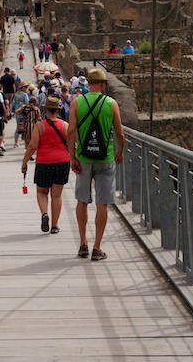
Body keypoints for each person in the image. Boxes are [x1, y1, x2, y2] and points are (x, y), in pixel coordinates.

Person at [67, 68, 125, 261]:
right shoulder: (111, 103)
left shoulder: (77, 103)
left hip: (84, 157)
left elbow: (71, 132)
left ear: (88, 84)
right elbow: (120, 133)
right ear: (103, 84)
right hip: (105, 157)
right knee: (102, 203)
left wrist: (72, 157)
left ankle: (83, 243)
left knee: (82, 200)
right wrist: (119, 152)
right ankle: (97, 247)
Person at [21, 95, 70, 234]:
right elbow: (72, 145)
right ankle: (55, 225)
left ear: (45, 110)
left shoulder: (40, 126)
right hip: (62, 162)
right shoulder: (65, 125)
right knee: (57, 195)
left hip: (44, 163)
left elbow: (32, 146)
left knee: (42, 192)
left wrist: (24, 162)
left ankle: (44, 214)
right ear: (58, 110)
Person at [12, 83, 33, 147]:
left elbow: (13, 104)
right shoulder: (24, 95)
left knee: (18, 127)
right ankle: (26, 142)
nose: (26, 88)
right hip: (23, 113)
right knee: (25, 127)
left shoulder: (15, 94)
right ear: (22, 88)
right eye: (25, 87)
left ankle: (16, 142)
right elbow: (27, 103)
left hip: (17, 112)